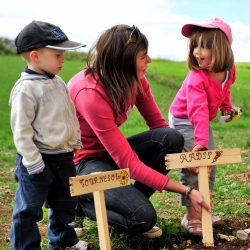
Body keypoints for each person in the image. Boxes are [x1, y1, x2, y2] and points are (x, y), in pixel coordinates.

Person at [68, 24, 211, 239]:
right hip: (85, 162)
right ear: (123, 60)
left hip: (109, 154)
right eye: (144, 56)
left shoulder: (135, 81)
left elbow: (159, 126)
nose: (149, 60)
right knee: (143, 218)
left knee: (171, 138)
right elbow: (130, 165)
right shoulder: (90, 93)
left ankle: (128, 202)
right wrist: (187, 191)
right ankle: (81, 202)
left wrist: (186, 159)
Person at [9, 20, 88, 250]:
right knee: (28, 209)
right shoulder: (26, 89)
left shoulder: (58, 82)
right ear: (35, 56)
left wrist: (75, 141)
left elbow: (69, 114)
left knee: (65, 203)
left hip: (63, 157)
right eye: (58, 55)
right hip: (38, 161)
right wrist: (32, 161)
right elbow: (21, 130)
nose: (62, 60)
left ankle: (63, 239)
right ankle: (25, 246)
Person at [169, 17, 236, 236]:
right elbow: (196, 110)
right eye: (194, 45)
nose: (197, 52)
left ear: (222, 49)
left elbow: (224, 91)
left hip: (201, 121)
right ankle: (192, 217)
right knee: (195, 166)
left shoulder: (229, 71)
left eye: (204, 46)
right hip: (183, 118)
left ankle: (203, 209)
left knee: (211, 164)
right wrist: (200, 142)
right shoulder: (196, 77)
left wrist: (227, 109)